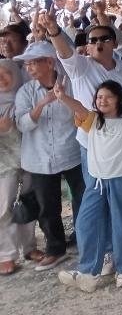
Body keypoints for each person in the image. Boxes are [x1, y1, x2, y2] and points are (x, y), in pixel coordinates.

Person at [53, 80, 122, 292]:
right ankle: (88, 272)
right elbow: (79, 108)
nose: (102, 100)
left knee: (121, 225)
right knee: (85, 223)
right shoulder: (93, 120)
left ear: (118, 99)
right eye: (99, 97)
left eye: (108, 96)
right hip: (97, 183)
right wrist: (62, 97)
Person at [14, 41, 84, 272]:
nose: (29, 68)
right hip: (39, 156)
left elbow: (81, 111)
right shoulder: (26, 91)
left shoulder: (71, 83)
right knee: (47, 205)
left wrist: (62, 98)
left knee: (81, 199)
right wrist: (42, 104)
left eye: (34, 63)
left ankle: (86, 239)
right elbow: (22, 124)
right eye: (27, 64)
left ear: (50, 63)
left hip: (71, 150)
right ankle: (55, 248)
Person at [0, 59, 37, 275]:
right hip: (3, 164)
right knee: (4, 208)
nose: (3, 78)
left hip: (29, 159)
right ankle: (6, 254)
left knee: (29, 202)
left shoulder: (25, 96)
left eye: (7, 73)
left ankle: (30, 247)